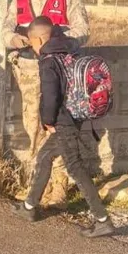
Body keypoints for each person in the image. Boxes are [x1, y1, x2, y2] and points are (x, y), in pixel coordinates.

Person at [1, 0, 90, 206]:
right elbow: (5, 32)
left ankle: (59, 187)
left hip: (61, 74)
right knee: (35, 129)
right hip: (29, 75)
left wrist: (55, 43)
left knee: (60, 131)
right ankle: (38, 186)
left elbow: (83, 30)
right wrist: (16, 40)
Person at [13, 16, 114, 238]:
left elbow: (50, 96)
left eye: (32, 43)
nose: (33, 48)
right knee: (45, 157)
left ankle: (102, 219)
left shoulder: (49, 61)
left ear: (39, 39)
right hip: (74, 117)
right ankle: (29, 207)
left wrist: (48, 121)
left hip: (62, 121)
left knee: (75, 167)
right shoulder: (70, 51)